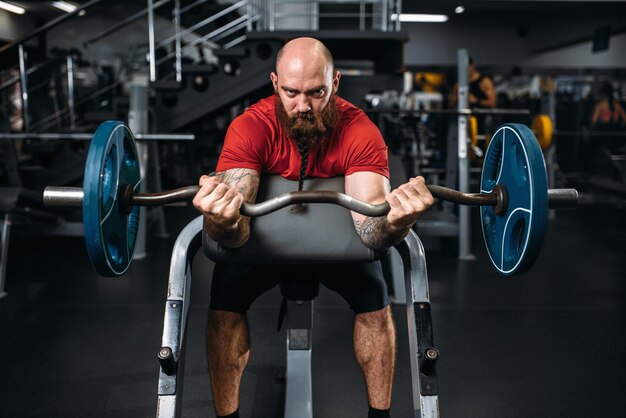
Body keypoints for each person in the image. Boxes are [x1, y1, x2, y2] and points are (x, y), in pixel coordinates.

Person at [192, 37, 435, 418]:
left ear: (335, 83)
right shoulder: (250, 127)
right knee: (224, 303)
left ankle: (380, 416)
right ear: (274, 82)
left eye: (316, 92)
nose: (303, 106)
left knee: (376, 301)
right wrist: (221, 220)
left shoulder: (360, 130)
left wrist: (397, 222)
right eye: (291, 92)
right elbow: (236, 232)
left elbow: (371, 232)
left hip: (337, 247)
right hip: (263, 247)